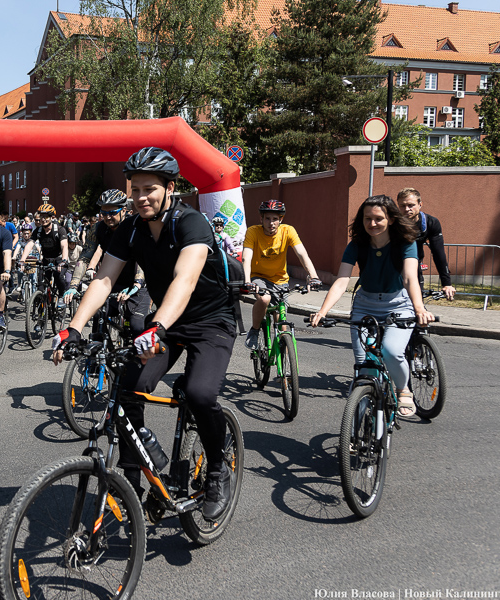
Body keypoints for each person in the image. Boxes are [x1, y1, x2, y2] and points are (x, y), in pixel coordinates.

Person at [52, 147, 237, 520]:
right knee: (127, 390)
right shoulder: (131, 229)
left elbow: (184, 282)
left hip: (210, 320)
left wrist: (157, 327)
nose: (140, 197)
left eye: (149, 189)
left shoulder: (191, 223)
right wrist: (73, 327)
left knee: (200, 394)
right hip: (166, 321)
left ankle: (218, 469)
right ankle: (133, 478)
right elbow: (104, 278)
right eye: (135, 189)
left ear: (170, 187)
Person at [309, 195, 435, 418]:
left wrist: (419, 309)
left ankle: (403, 388)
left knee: (391, 351)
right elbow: (341, 280)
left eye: (378, 218)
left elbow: (409, 278)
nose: (372, 223)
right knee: (363, 367)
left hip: (398, 305)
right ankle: (357, 430)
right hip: (365, 305)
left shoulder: (406, 243)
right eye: (367, 218)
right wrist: (323, 310)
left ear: (391, 220)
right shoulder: (357, 245)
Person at [65, 189, 151, 335]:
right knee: (99, 317)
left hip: (139, 283)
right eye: (103, 213)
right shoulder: (97, 229)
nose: (107, 217)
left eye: (112, 213)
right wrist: (74, 285)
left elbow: (142, 258)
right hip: (112, 281)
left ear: (124, 210)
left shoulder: (136, 226)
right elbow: (85, 257)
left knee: (137, 326)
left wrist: (137, 284)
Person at [242, 200, 323, 349]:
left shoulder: (288, 231)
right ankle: (254, 331)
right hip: (258, 277)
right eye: (267, 218)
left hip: (280, 280)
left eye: (275, 219)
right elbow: (247, 256)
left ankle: (284, 370)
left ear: (281, 220)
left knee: (282, 328)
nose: (271, 223)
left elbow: (302, 254)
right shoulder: (253, 231)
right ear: (261, 219)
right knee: (265, 299)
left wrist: (314, 277)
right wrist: (247, 281)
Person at [395, 188, 456, 300]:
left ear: (420, 204)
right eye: (402, 206)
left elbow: (438, 254)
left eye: (411, 205)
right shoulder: (392, 223)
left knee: (417, 302)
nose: (407, 209)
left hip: (414, 264)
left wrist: (446, 283)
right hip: (392, 265)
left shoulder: (430, 223)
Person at [20, 203, 69, 306]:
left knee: (58, 276)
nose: (43, 219)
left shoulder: (60, 230)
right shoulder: (38, 231)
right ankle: (40, 315)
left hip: (59, 260)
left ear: (52, 217)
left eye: (46, 217)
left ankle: (61, 295)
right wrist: (22, 260)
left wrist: (64, 261)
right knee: (41, 285)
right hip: (46, 260)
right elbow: (29, 245)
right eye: (41, 217)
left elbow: (64, 245)